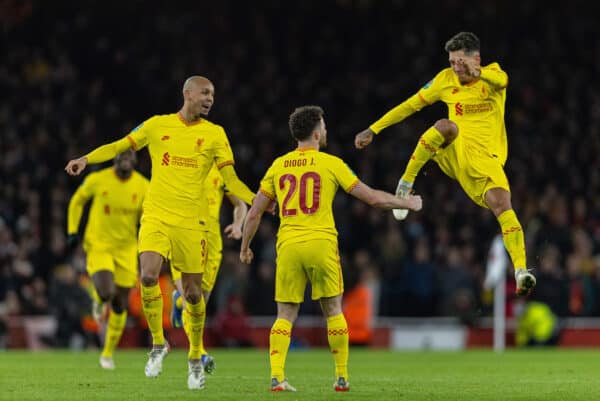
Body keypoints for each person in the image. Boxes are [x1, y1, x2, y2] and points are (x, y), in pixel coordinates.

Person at [65, 76, 256, 390]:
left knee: (194, 295)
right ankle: (158, 344)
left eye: (213, 95)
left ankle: (195, 358)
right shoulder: (156, 126)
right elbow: (119, 145)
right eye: (205, 93)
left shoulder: (215, 134)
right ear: (187, 93)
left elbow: (231, 180)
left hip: (192, 224)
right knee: (149, 276)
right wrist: (87, 158)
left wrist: (256, 200)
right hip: (156, 217)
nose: (210, 99)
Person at [239, 105, 422, 393]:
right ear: (315, 132)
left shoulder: (278, 165)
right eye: (323, 126)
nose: (325, 130)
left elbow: (253, 214)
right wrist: (407, 203)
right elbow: (372, 198)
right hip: (321, 243)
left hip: (288, 246)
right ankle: (341, 377)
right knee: (334, 310)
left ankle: (277, 377)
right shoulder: (331, 164)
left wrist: (246, 247)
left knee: (285, 314)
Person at [354, 31, 536, 296]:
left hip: (487, 161)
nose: (455, 68)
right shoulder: (444, 80)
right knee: (445, 126)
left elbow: (503, 80)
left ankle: (521, 271)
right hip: (456, 150)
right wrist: (374, 129)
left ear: (476, 59)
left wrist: (478, 73)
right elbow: (409, 105)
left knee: (503, 206)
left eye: (460, 62)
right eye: (452, 62)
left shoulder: (493, 75)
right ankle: (405, 183)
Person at [67, 150, 148, 368]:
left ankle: (107, 353)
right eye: (121, 158)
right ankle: (99, 301)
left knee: (121, 304)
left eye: (129, 158)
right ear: (115, 160)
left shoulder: (143, 186)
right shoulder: (98, 179)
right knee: (105, 291)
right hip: (99, 244)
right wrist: (73, 231)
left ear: (134, 162)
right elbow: (77, 201)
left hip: (127, 248)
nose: (125, 161)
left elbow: (151, 216)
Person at [170, 162, 248, 375]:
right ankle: (200, 353)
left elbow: (240, 204)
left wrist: (238, 225)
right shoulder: (183, 163)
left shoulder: (222, 173)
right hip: (185, 234)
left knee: (199, 303)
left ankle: (178, 299)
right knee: (191, 301)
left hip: (212, 242)